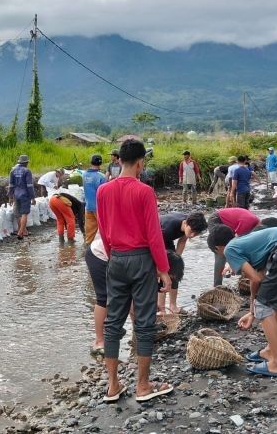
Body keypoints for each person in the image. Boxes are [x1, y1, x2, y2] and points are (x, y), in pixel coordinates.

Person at [96, 139, 173, 403]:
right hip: (141, 260)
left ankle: (113, 386)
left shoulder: (103, 191)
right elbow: (154, 234)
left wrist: (113, 257)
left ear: (118, 161)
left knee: (113, 323)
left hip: (115, 258)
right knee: (144, 323)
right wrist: (163, 269)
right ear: (141, 163)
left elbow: (103, 231)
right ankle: (143, 386)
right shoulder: (144, 191)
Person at [210, 226, 277, 377]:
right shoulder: (247, 243)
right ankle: (271, 350)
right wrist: (252, 311)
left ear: (218, 248)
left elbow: (257, 280)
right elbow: (258, 278)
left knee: (263, 305)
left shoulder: (229, 249)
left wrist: (256, 308)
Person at [158, 212, 208, 314]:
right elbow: (156, 247)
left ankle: (173, 306)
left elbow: (182, 241)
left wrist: (177, 259)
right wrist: (163, 269)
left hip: (168, 239)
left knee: (175, 270)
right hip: (158, 239)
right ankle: (161, 309)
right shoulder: (167, 229)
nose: (193, 235)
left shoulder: (191, 222)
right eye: (192, 231)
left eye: (196, 233)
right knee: (163, 275)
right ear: (185, 223)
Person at [206, 207, 260, 285]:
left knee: (232, 251)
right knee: (220, 252)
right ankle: (217, 286)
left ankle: (239, 274)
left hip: (230, 223)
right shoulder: (248, 223)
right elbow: (233, 245)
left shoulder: (255, 229)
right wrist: (231, 264)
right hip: (217, 219)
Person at [84, 235, 110, 356]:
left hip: (112, 254)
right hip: (97, 255)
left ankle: (137, 332)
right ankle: (99, 341)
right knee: (103, 298)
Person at [8, 154, 36, 240]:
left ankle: (24, 231)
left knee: (17, 213)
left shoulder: (13, 171)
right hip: (25, 195)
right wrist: (33, 197)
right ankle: (20, 232)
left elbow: (11, 185)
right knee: (24, 213)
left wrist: (10, 197)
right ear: (26, 162)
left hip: (16, 194)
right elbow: (29, 185)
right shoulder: (27, 171)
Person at [82, 155, 106, 243]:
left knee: (90, 232)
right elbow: (104, 194)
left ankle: (88, 251)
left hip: (88, 207)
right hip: (99, 208)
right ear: (100, 163)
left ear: (91, 162)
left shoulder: (84, 175)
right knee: (104, 230)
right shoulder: (101, 177)